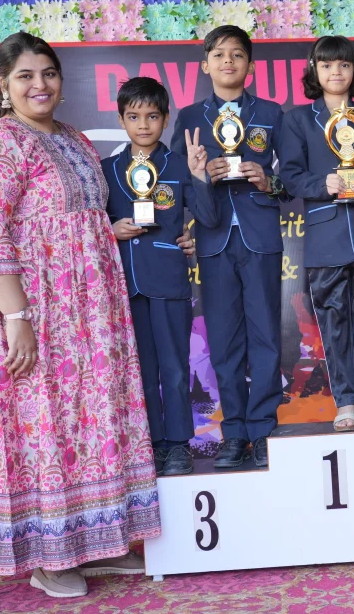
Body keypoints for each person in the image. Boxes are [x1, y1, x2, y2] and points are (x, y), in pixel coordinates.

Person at [0, 32, 160, 598]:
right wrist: (14, 316)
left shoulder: (74, 139)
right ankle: (49, 555)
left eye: (47, 73)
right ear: (3, 84)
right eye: (24, 76)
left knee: (90, 420)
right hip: (34, 308)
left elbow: (83, 217)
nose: (39, 85)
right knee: (44, 421)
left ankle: (97, 540)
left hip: (89, 311)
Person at [170, 26, 287, 469]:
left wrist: (267, 179)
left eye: (237, 55)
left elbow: (291, 178)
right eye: (219, 55)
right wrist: (202, 176)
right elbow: (177, 182)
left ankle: (263, 428)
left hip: (259, 236)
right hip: (214, 238)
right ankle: (234, 430)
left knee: (265, 337)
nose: (228, 62)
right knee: (223, 340)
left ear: (250, 66)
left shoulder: (274, 114)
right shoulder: (188, 117)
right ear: (206, 64)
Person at [278, 35, 354, 431]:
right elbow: (290, 176)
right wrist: (323, 185)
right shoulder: (298, 119)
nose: (336, 72)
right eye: (327, 65)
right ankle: (344, 401)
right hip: (325, 234)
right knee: (332, 320)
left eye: (344, 65)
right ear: (315, 70)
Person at [103, 76, 217, 477]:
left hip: (168, 280)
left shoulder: (177, 165)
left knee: (174, 366)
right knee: (141, 370)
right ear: (121, 119)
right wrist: (110, 229)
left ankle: (179, 444)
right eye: (134, 117)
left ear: (166, 118)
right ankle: (149, 444)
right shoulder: (106, 170)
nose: (144, 125)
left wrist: (200, 175)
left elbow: (207, 217)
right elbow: (92, 222)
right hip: (124, 286)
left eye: (152, 116)